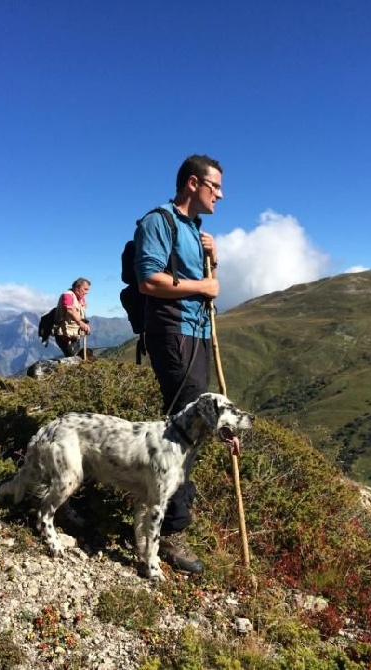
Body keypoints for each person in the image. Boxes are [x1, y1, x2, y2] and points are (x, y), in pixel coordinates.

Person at [133, 154, 222, 574]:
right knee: (187, 429)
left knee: (188, 428)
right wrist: (204, 284)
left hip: (198, 334)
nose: (219, 195)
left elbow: (200, 284)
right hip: (173, 333)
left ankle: (158, 503)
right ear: (193, 183)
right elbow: (148, 280)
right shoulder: (158, 221)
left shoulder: (195, 230)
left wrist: (213, 258)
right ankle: (171, 533)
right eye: (215, 187)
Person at [54, 278, 92, 357]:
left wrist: (84, 324)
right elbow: (70, 310)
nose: (87, 292)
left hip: (74, 336)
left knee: (76, 357)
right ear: (77, 287)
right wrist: (80, 323)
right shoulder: (67, 295)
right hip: (64, 337)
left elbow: (81, 313)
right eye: (85, 289)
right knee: (72, 358)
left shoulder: (81, 299)